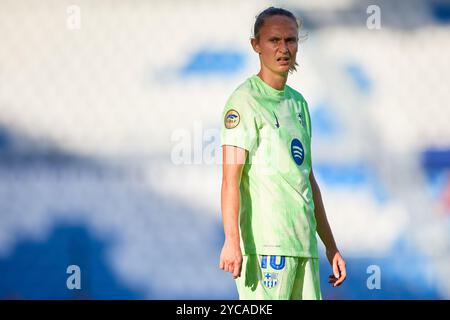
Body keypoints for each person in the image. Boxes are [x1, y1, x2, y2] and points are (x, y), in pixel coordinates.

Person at [219, 7, 347, 300]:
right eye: (273, 40)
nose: (283, 48)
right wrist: (231, 240)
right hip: (267, 250)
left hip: (303, 247)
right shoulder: (244, 101)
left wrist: (330, 245)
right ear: (256, 45)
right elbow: (230, 179)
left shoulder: (299, 104)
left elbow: (308, 180)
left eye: (290, 40)